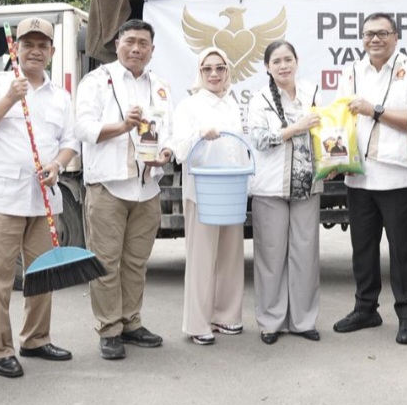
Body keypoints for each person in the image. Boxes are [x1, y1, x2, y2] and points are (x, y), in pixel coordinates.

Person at [0, 17, 80, 378]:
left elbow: (70, 143)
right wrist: (8, 100)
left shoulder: (60, 97)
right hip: (1, 198)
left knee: (42, 274)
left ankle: (36, 338)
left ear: (51, 51)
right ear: (15, 48)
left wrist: (58, 166)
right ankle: (0, 348)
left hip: (44, 196)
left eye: (42, 44)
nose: (35, 50)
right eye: (27, 44)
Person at [74, 19, 174, 361]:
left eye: (143, 43)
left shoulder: (160, 86)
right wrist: (122, 126)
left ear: (152, 49)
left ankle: (131, 323)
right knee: (105, 263)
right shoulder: (97, 81)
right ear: (117, 44)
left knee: (136, 263)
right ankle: (109, 328)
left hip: (146, 188)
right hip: (109, 187)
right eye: (130, 41)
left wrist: (167, 152)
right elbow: (83, 128)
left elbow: (169, 130)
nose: (136, 49)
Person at [333, 13, 407, 345]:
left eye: (382, 33)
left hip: (397, 174)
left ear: (396, 36)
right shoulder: (351, 71)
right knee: (362, 249)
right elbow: (340, 120)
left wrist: (375, 110)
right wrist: (336, 157)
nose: (375, 39)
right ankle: (366, 309)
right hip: (358, 177)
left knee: (402, 251)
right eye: (369, 34)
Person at [248, 40, 322, 345]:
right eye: (276, 61)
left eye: (288, 59)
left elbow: (325, 130)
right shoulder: (259, 98)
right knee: (270, 256)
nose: (283, 65)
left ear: (297, 61)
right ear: (267, 66)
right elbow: (260, 139)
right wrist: (297, 127)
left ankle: (304, 321)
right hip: (270, 187)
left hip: (307, 185)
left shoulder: (311, 92)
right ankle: (270, 321)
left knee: (305, 255)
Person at [171, 47, 246, 345]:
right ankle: (197, 323)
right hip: (202, 191)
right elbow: (178, 150)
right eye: (207, 69)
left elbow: (241, 145)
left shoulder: (233, 103)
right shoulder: (188, 106)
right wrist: (200, 133)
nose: (214, 74)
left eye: (220, 68)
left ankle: (226, 315)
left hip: (231, 189)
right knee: (202, 258)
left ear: (228, 71)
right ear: (199, 73)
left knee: (230, 254)